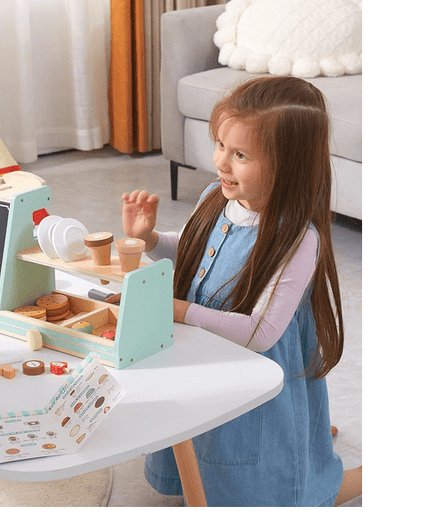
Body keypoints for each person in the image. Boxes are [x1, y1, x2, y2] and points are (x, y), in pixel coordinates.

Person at [122, 76, 362, 506]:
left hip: (257, 374)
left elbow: (261, 332)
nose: (221, 163)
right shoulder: (216, 195)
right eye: (220, 145)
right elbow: (198, 250)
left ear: (285, 165)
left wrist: (177, 310)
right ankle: (306, 434)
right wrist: (152, 238)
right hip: (209, 357)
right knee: (203, 436)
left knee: (269, 477)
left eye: (240, 155)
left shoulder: (298, 238)